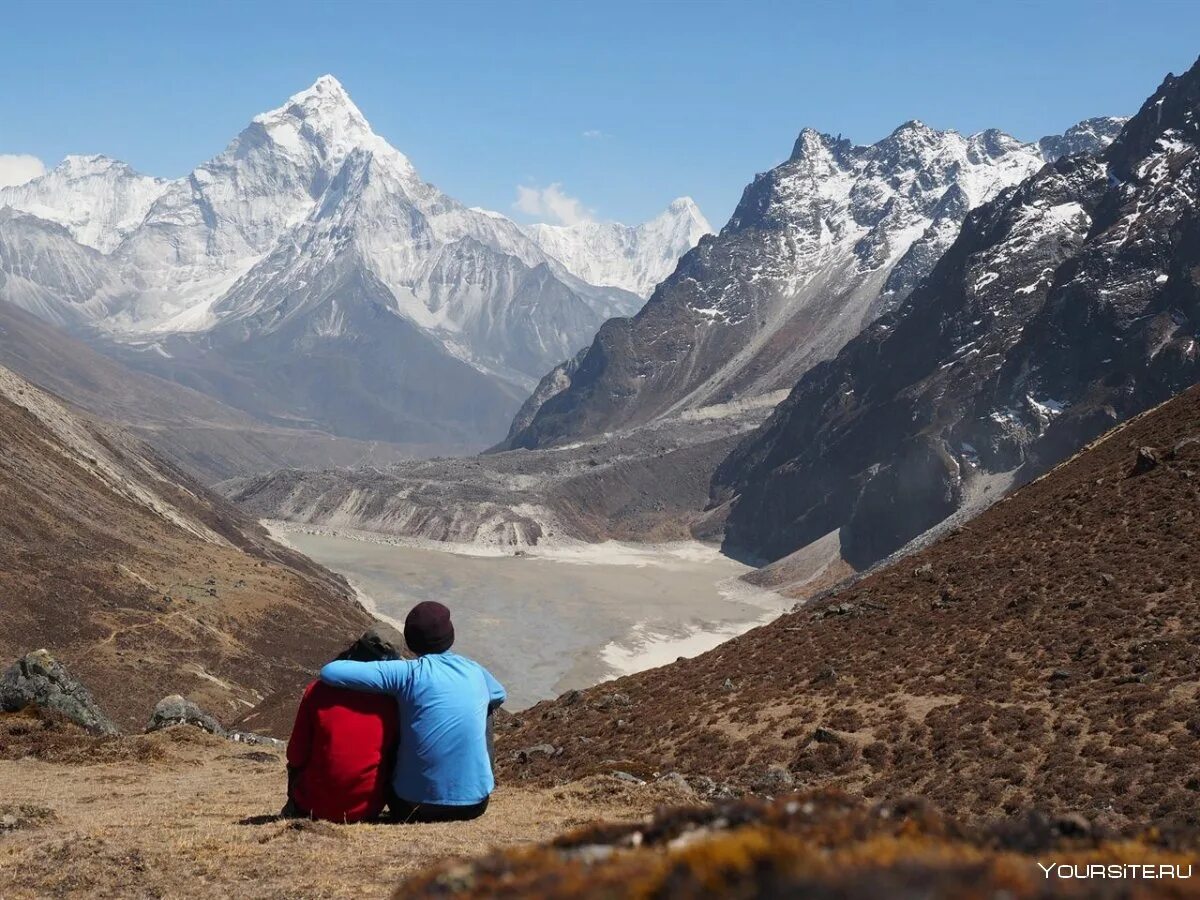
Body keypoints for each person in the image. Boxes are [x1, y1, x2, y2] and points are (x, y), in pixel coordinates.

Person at [319, 601, 506, 823]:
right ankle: (473, 783)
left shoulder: (407, 673)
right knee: (484, 708)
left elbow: (330, 671)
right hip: (475, 805)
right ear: (451, 636)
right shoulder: (475, 670)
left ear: (410, 640)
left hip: (411, 807)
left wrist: (392, 668)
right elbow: (498, 695)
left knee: (400, 703)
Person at [284, 626, 402, 823]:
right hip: (367, 809)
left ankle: (292, 808)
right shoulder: (392, 700)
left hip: (312, 806)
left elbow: (295, 755)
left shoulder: (317, 690)